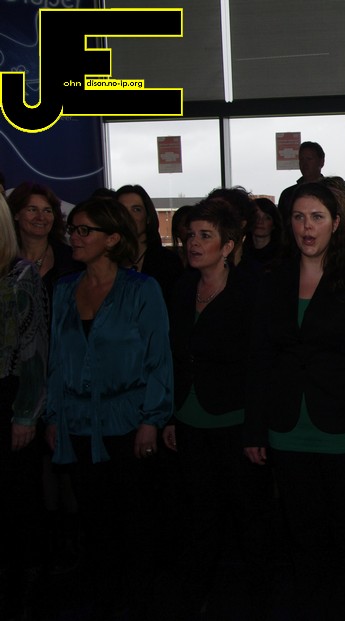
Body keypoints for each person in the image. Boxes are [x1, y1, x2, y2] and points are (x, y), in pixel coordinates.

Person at [244, 181, 345, 620]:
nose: (307, 227)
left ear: (336, 223)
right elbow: (260, 359)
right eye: (299, 217)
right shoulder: (274, 278)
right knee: (302, 537)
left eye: (317, 217)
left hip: (341, 429)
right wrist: (255, 428)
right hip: (287, 428)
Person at [44, 196, 173, 618]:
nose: (75, 237)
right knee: (94, 521)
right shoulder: (64, 289)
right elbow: (55, 361)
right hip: (78, 425)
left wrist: (152, 420)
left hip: (130, 422)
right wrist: (54, 417)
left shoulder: (141, 289)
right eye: (73, 230)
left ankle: (139, 602)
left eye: (85, 230)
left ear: (113, 238)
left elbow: (158, 360)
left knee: (135, 521)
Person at [160, 199, 273, 619]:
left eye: (205, 236)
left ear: (227, 246)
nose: (193, 243)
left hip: (235, 422)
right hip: (189, 420)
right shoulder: (182, 288)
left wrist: (256, 429)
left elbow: (261, 364)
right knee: (200, 517)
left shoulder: (250, 291)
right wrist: (172, 415)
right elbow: (175, 357)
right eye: (191, 235)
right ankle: (197, 596)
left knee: (249, 520)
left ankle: (261, 600)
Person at [0, 193, 49, 620]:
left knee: (16, 506)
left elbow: (33, 352)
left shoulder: (20, 275)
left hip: (10, 401)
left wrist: (25, 414)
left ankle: (23, 590)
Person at [7, 181, 82, 296]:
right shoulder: (5, 258)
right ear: (16, 214)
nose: (41, 217)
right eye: (32, 209)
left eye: (47, 211)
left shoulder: (71, 260)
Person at [115, 184, 185, 301]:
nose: (128, 216)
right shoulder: (106, 260)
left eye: (136, 209)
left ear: (148, 217)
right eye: (122, 210)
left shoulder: (168, 262)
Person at [277, 141, 325, 223]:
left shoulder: (332, 191)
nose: (304, 164)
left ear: (321, 162)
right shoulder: (288, 194)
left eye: (309, 159)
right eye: (301, 159)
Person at [242, 196, 283, 273]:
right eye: (256, 217)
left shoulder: (283, 258)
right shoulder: (240, 254)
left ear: (274, 224)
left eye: (267, 218)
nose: (260, 221)